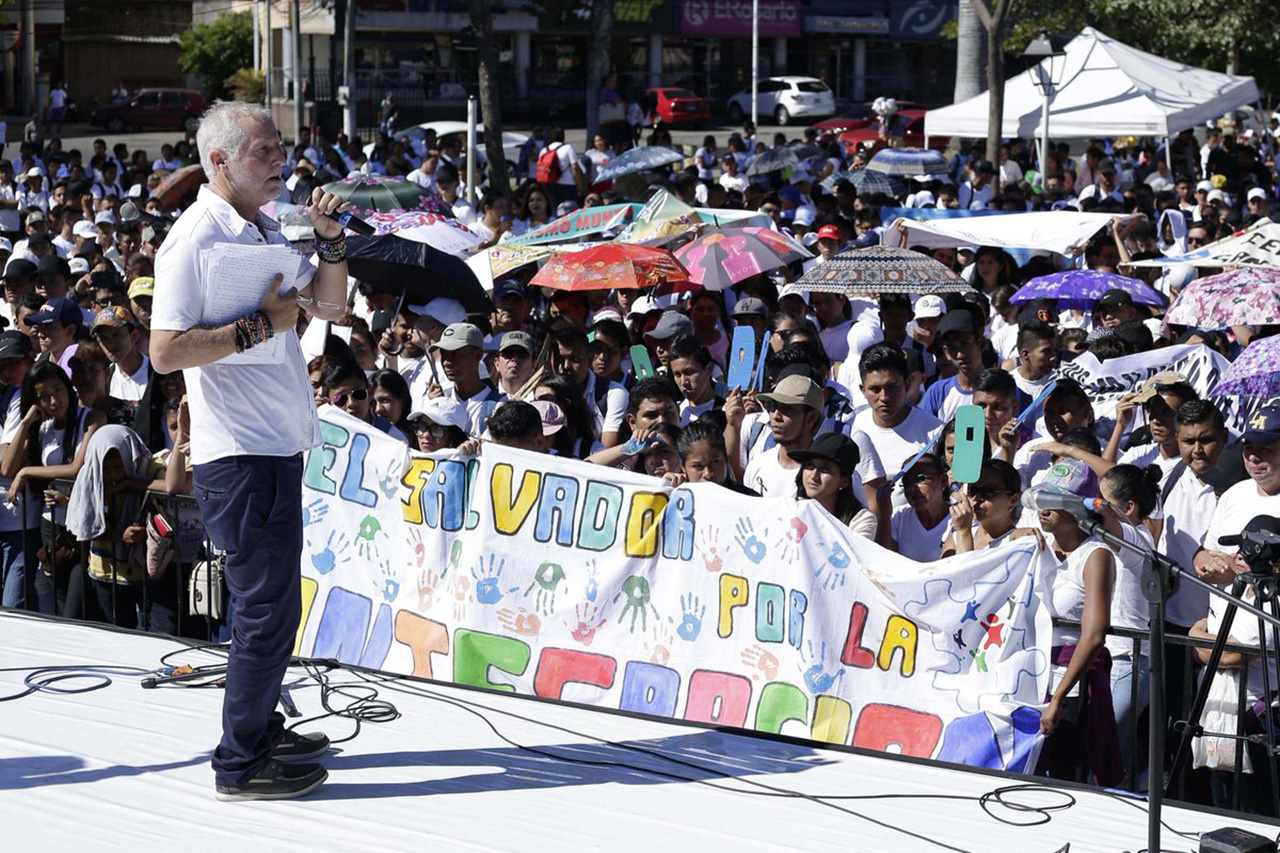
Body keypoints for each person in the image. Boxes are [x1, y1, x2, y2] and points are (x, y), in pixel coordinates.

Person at [149, 101, 353, 802]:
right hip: (238, 453)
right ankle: (239, 760)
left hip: (272, 444)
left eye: (280, 148)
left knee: (273, 604)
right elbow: (165, 349)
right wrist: (258, 327)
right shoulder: (194, 240)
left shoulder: (264, 225)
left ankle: (261, 725)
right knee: (266, 609)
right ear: (221, 162)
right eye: (265, 151)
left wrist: (328, 242)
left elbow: (328, 307)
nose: (280, 161)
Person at [1036, 459, 1118, 787]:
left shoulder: (1095, 555)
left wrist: (1058, 698)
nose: (1044, 508)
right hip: (1029, 679)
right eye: (1042, 498)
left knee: (1061, 782)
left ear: (1076, 508)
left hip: (1068, 687)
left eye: (1055, 500)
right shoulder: (1031, 544)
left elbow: (1094, 634)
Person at [792, 432, 877, 538]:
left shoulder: (861, 519)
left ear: (844, 481)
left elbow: (854, 553)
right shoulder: (791, 509)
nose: (814, 475)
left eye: (825, 469)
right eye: (810, 465)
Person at [942, 459, 1026, 555]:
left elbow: (967, 570)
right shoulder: (956, 537)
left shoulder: (1020, 544)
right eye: (972, 490)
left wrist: (964, 532)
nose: (976, 498)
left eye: (988, 492)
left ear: (1013, 500)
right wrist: (963, 532)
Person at [429, 322, 500, 435]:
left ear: (478, 355)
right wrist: (436, 409)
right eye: (444, 354)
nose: (447, 362)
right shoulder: (439, 400)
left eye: (456, 354)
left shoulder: (499, 407)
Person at [880, 453, 951, 562]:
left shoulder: (961, 518)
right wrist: (884, 517)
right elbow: (885, 561)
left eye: (920, 479)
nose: (912, 488)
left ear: (943, 481)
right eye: (906, 483)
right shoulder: (898, 517)